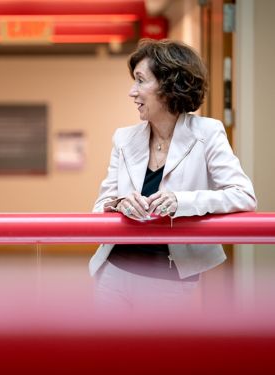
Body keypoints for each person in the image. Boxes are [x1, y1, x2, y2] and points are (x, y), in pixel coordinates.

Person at [90, 39, 256, 313]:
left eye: (140, 81)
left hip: (168, 277)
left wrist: (181, 202)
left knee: (155, 356)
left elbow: (243, 195)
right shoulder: (123, 138)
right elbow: (100, 205)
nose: (132, 92)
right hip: (113, 270)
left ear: (169, 86)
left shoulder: (208, 133)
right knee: (107, 355)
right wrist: (119, 203)